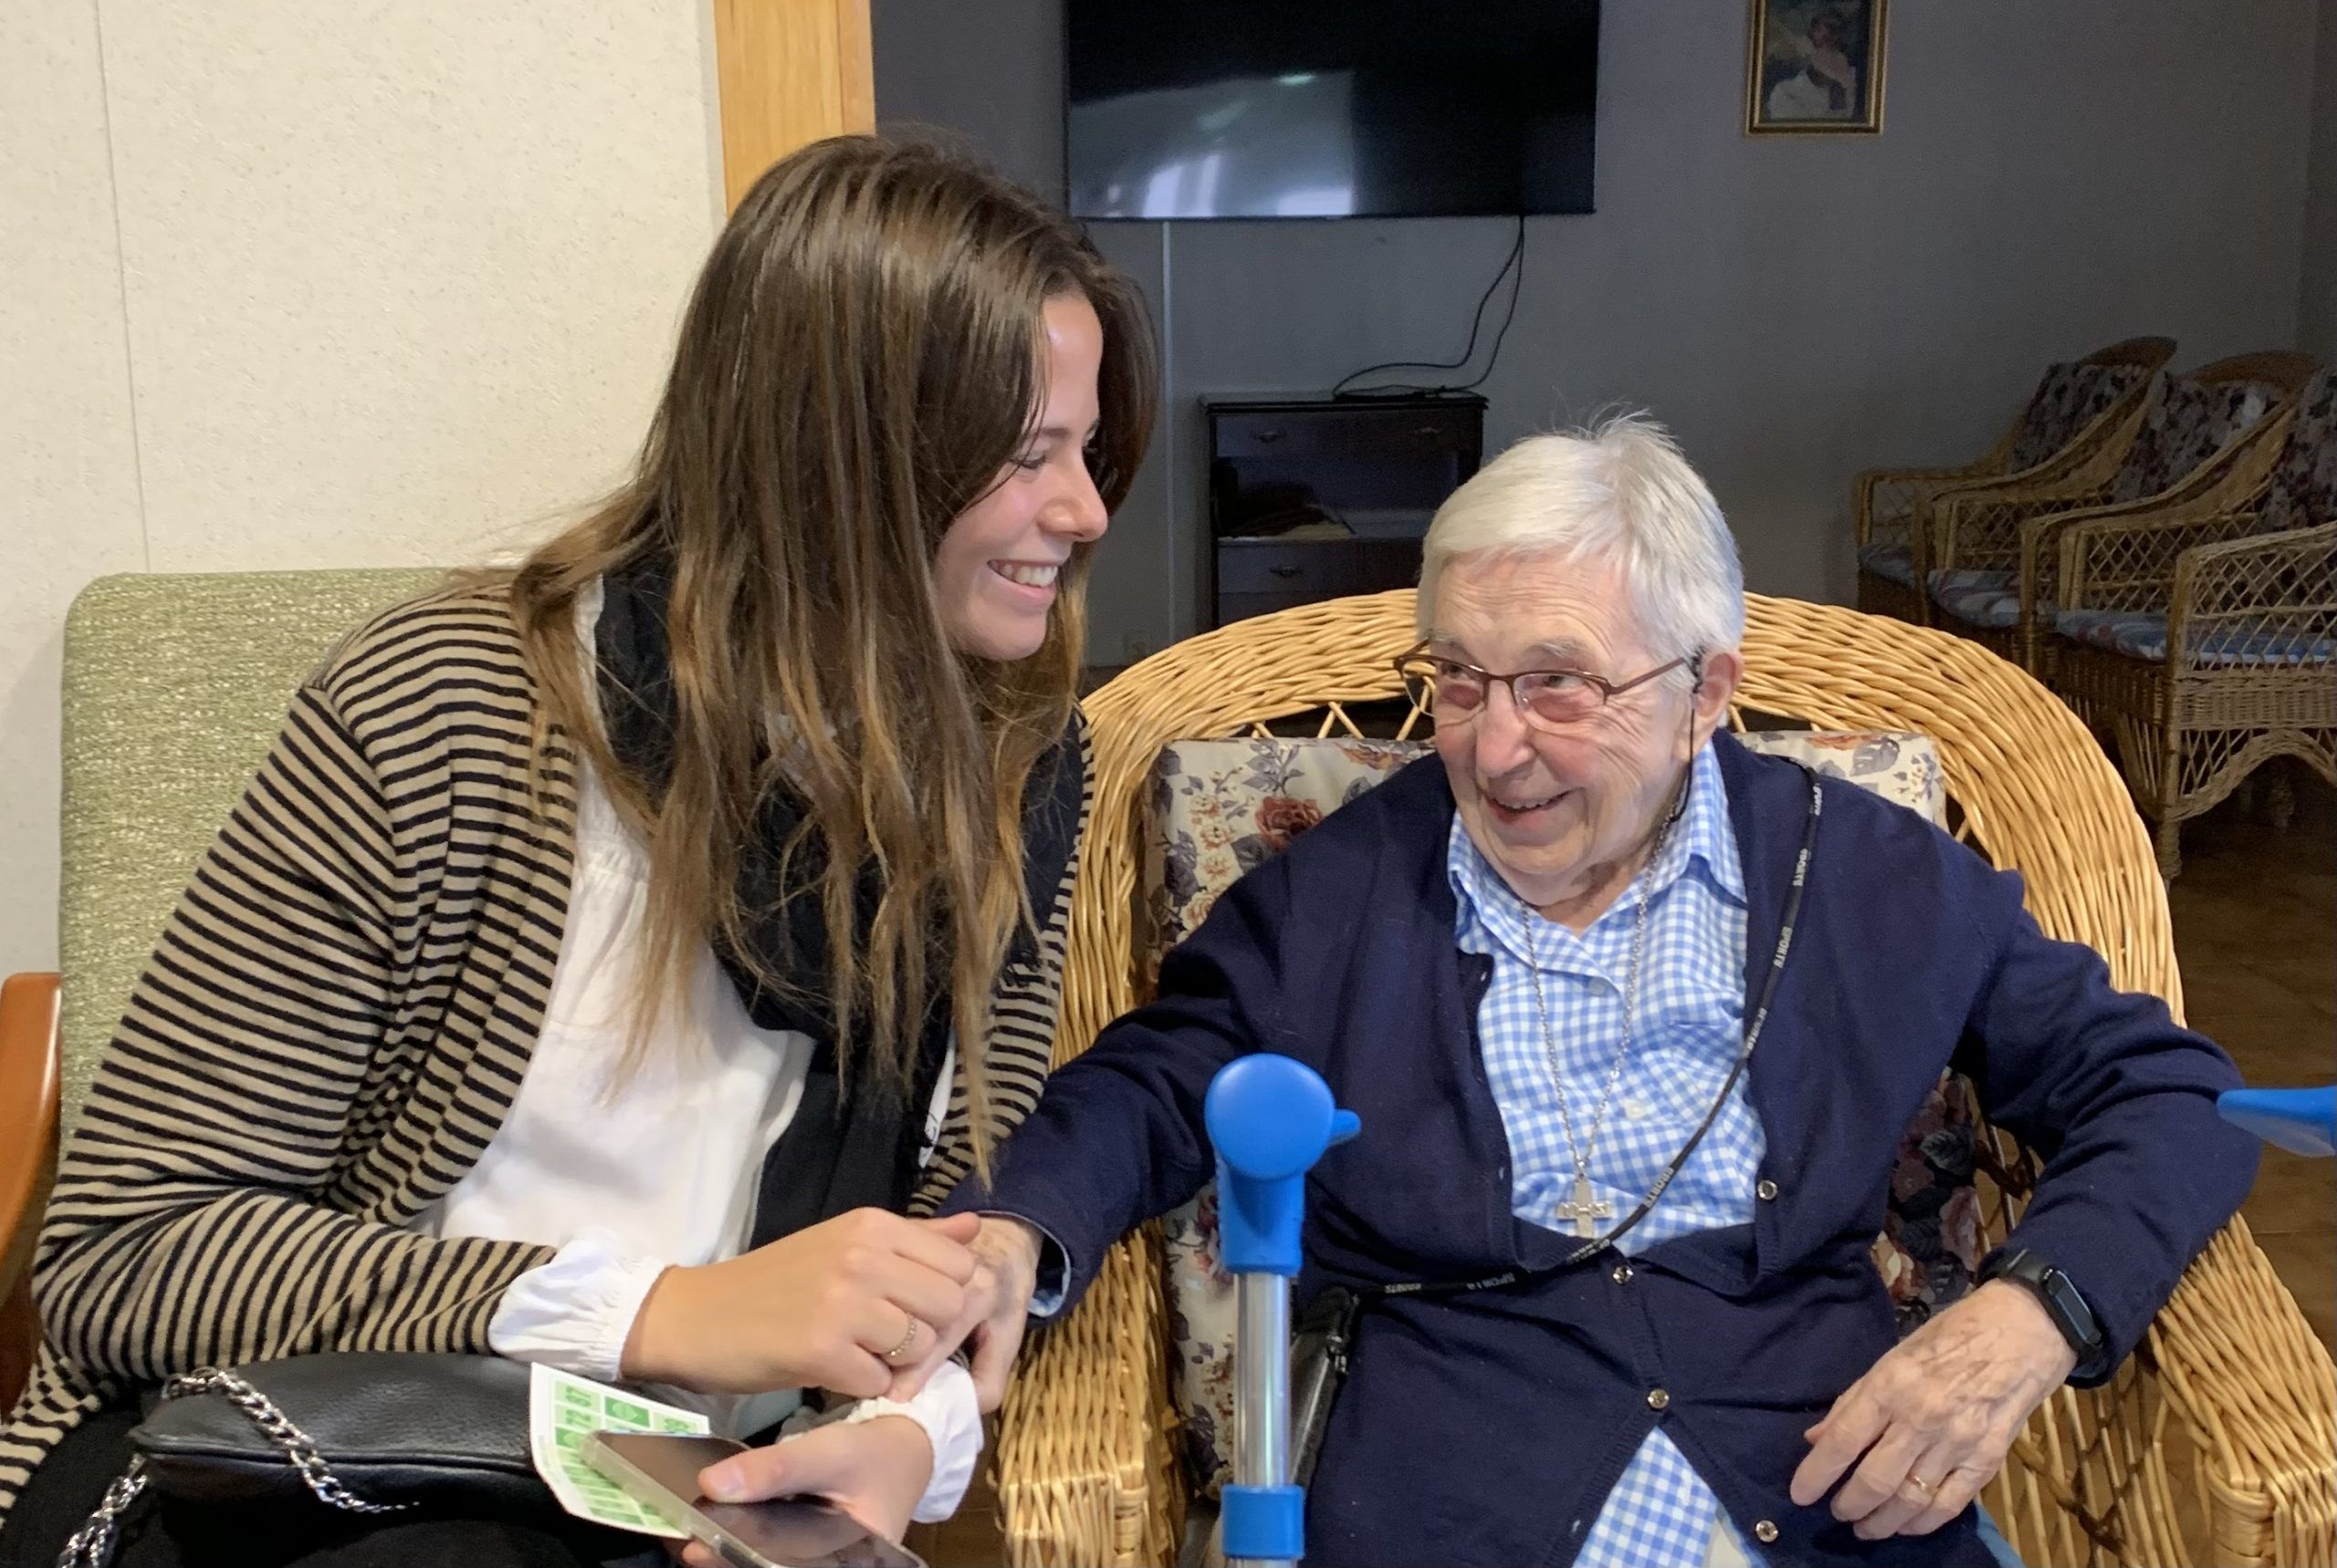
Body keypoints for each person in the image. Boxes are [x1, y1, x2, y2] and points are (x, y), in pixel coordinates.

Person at [739, 417, 2258, 1566]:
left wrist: (2029, 1314)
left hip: (1820, 1482)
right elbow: (1152, 1078)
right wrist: (1018, 1228)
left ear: (1705, 692)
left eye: (1559, 684)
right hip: (1458, 1480)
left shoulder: (1868, 876)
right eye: (1456, 679)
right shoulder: (1344, 888)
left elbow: (2168, 1095)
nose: (1491, 743)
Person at [0, 134, 1158, 1566]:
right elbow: (128, 1257)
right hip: (320, 1478)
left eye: (1088, 451)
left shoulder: (1018, 762)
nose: (1086, 514)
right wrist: (656, 1313)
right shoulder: (449, 710)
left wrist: (903, 1430)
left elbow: (953, 1219)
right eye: (1029, 456)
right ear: (839, 461)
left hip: (691, 1499)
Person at [1766, 7, 1860, 121]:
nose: (1825, 37)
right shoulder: (1786, 91)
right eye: (1819, 30)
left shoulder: (1852, 77)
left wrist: (1847, 85)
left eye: (1832, 32)